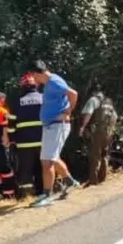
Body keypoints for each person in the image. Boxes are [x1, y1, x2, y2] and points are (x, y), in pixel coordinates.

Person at [28, 60, 81, 207]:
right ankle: (69, 181)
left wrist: (68, 111)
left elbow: (73, 94)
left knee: (47, 161)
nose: (33, 79)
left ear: (36, 73)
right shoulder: (49, 83)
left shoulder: (55, 82)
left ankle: (47, 195)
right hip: (51, 126)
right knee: (51, 158)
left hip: (58, 125)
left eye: (33, 76)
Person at [8, 73, 45, 198]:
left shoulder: (16, 102)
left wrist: (12, 140)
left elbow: (11, 123)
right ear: (36, 85)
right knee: (41, 168)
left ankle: (25, 195)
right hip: (43, 141)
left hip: (23, 144)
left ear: (22, 86)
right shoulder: (43, 98)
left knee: (25, 170)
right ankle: (42, 193)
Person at [78, 80, 118, 186]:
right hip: (108, 132)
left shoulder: (93, 100)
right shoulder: (108, 102)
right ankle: (102, 178)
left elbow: (88, 114)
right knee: (105, 154)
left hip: (96, 132)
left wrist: (82, 127)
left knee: (94, 155)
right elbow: (115, 118)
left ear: (93, 92)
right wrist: (111, 130)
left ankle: (93, 181)